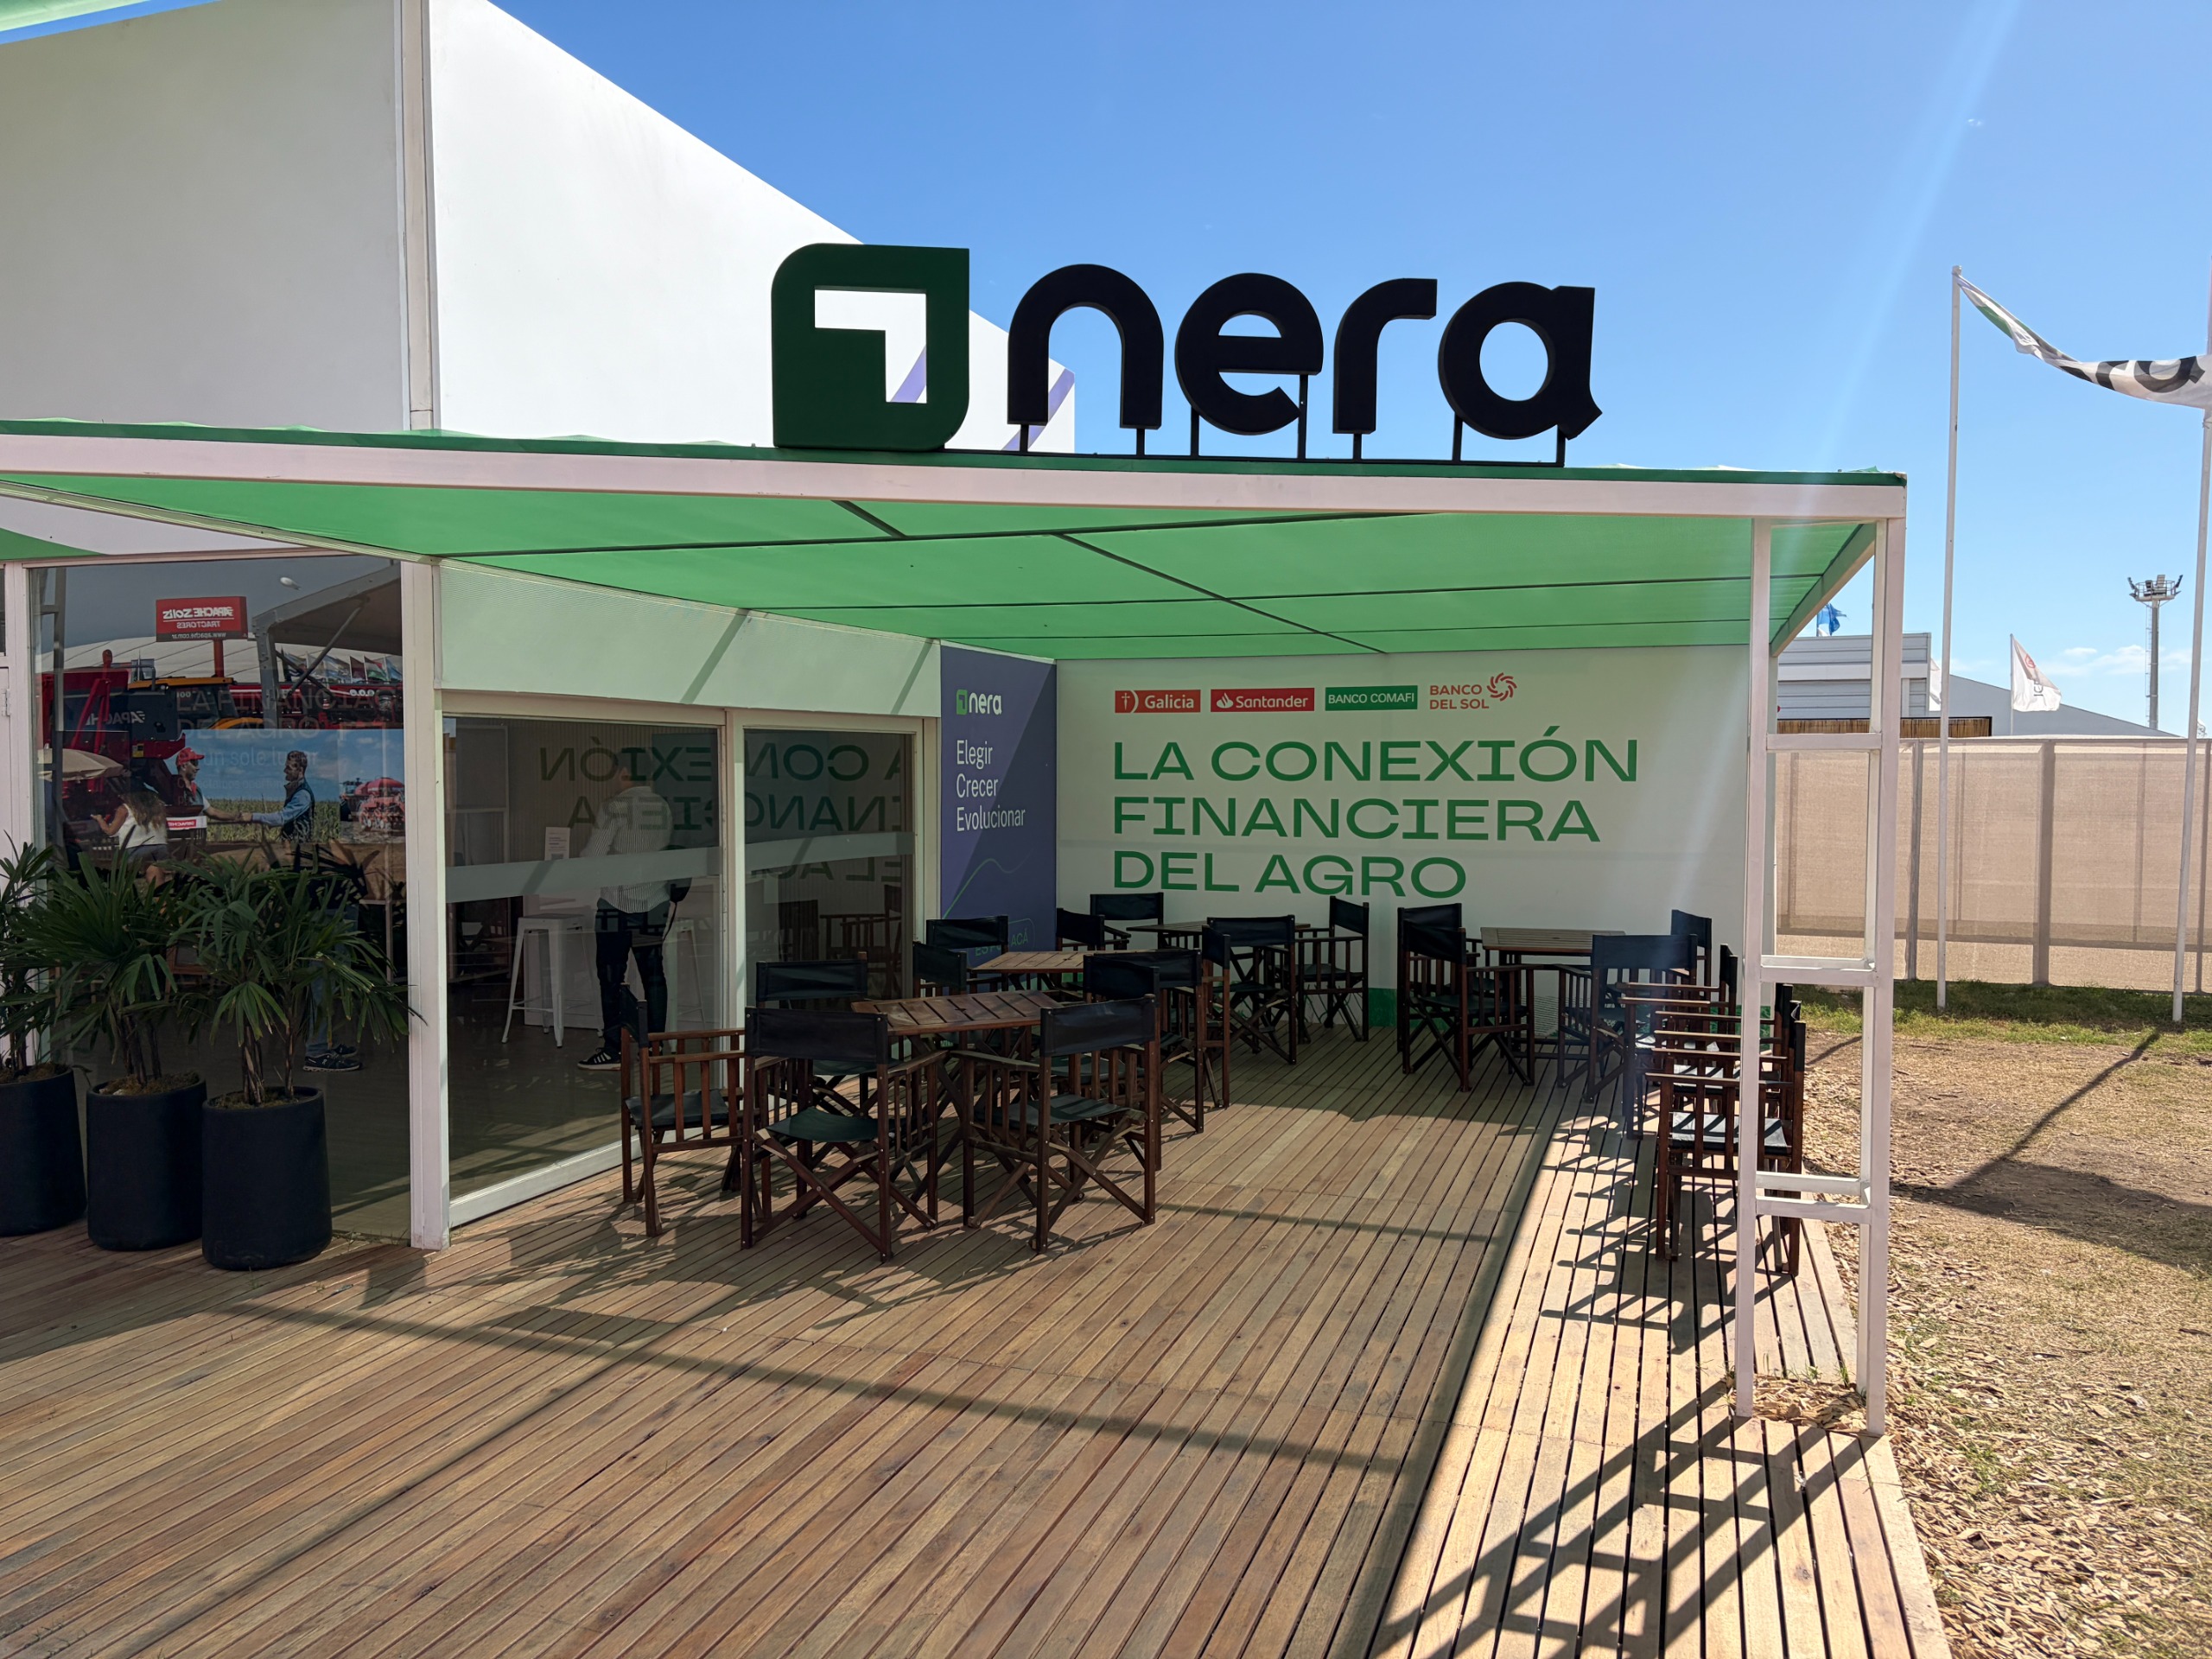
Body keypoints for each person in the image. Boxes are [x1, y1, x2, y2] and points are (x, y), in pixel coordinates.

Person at [576, 767, 673, 1071]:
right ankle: (655, 1046)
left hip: (617, 903)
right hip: (655, 900)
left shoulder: (615, 806)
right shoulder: (663, 806)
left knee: (611, 975)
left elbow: (593, 855)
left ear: (623, 772)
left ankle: (614, 1049)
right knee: (653, 974)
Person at [246, 749, 317, 868]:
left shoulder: (302, 794)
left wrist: (252, 817)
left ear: (300, 770)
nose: (285, 771)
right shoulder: (296, 790)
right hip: (292, 851)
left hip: (299, 854)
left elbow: (281, 818)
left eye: (288, 768)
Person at [98, 789, 169, 870]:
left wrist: (99, 819)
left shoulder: (124, 809)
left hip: (135, 847)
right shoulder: (159, 807)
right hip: (159, 845)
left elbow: (110, 831)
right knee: (156, 874)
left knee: (130, 875)